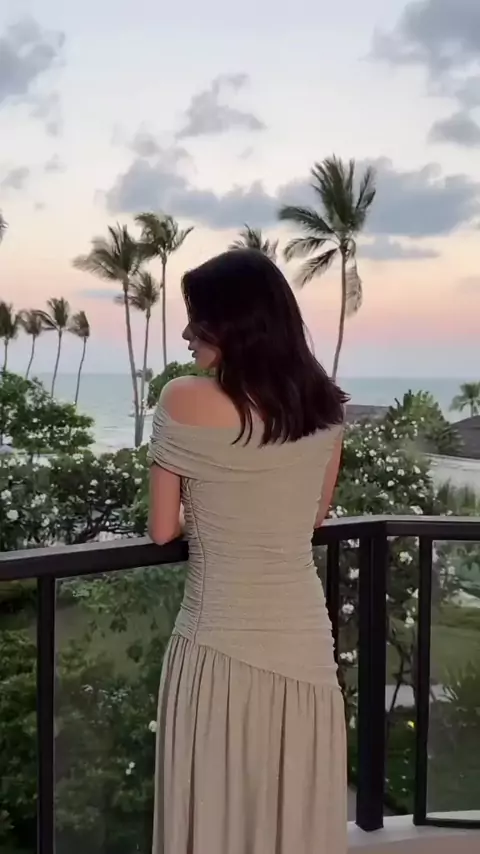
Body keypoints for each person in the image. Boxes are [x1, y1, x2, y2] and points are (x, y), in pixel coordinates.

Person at [148, 249, 349, 854]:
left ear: (233, 323)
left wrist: (211, 513)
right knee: (292, 814)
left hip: (216, 645)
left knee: (214, 814)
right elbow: (311, 516)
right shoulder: (323, 409)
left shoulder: (181, 399)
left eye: (197, 318)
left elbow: (161, 530)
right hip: (305, 647)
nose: (187, 333)